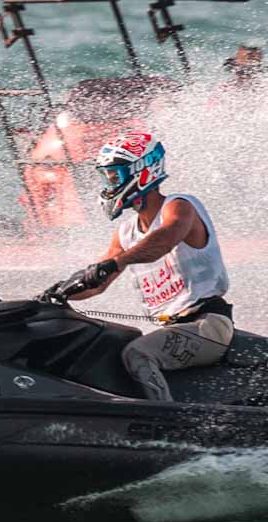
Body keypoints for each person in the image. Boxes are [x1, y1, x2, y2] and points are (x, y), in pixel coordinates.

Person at [41, 132, 233, 401]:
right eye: (106, 177)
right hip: (172, 329)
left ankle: (164, 420)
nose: (109, 184)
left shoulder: (179, 207)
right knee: (104, 345)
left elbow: (163, 240)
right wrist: (60, 293)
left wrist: (117, 262)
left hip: (208, 324)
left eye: (114, 177)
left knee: (138, 353)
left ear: (142, 173)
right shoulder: (126, 233)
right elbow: (99, 281)